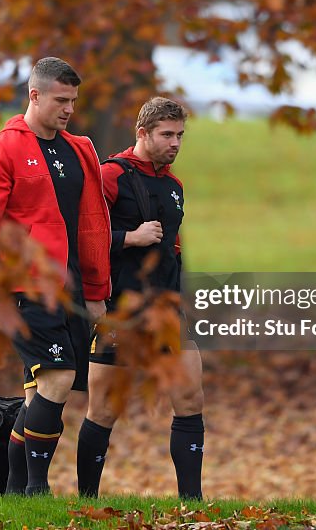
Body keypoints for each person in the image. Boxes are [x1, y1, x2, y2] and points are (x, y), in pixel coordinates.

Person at [0, 56, 111, 495]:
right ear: (35, 95)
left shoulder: (81, 147)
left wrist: (98, 290)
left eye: (74, 101)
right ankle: (36, 488)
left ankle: (15, 486)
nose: (68, 109)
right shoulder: (3, 147)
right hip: (23, 285)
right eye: (61, 100)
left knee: (39, 393)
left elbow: (92, 225)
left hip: (73, 290)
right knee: (58, 379)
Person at [77, 97, 205, 500]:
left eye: (180, 135)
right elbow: (82, 239)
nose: (175, 143)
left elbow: (174, 247)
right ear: (142, 133)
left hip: (166, 311)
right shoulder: (109, 176)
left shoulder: (174, 186)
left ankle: (192, 502)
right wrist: (129, 238)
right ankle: (86, 501)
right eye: (167, 135)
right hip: (121, 311)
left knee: (189, 396)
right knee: (103, 409)